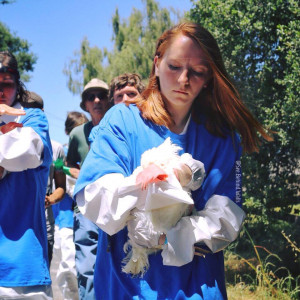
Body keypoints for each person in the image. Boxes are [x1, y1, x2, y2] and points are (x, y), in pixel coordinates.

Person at [74, 22, 273, 299]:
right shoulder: (121, 120)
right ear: (156, 64)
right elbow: (94, 197)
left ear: (209, 78)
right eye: (174, 67)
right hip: (126, 288)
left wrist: (169, 236)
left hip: (199, 290)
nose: (183, 80)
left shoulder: (224, 138)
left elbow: (226, 218)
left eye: (197, 71)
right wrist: (139, 187)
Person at [0, 51, 53, 299]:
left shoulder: (33, 119)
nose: (0, 91)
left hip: (22, 268)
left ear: (17, 85)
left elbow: (25, 152)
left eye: (7, 84)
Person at [66, 78, 110, 299]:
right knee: (86, 268)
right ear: (84, 103)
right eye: (91, 96)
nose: (97, 100)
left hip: (114, 206)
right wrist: (79, 174)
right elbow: (68, 165)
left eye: (102, 95)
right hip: (84, 210)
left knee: (116, 266)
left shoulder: (117, 128)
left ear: (109, 99)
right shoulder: (77, 134)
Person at [51, 111, 88, 300]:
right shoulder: (60, 158)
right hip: (64, 218)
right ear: (68, 132)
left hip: (84, 219)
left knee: (79, 267)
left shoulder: (89, 157)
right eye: (75, 130)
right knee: (65, 268)